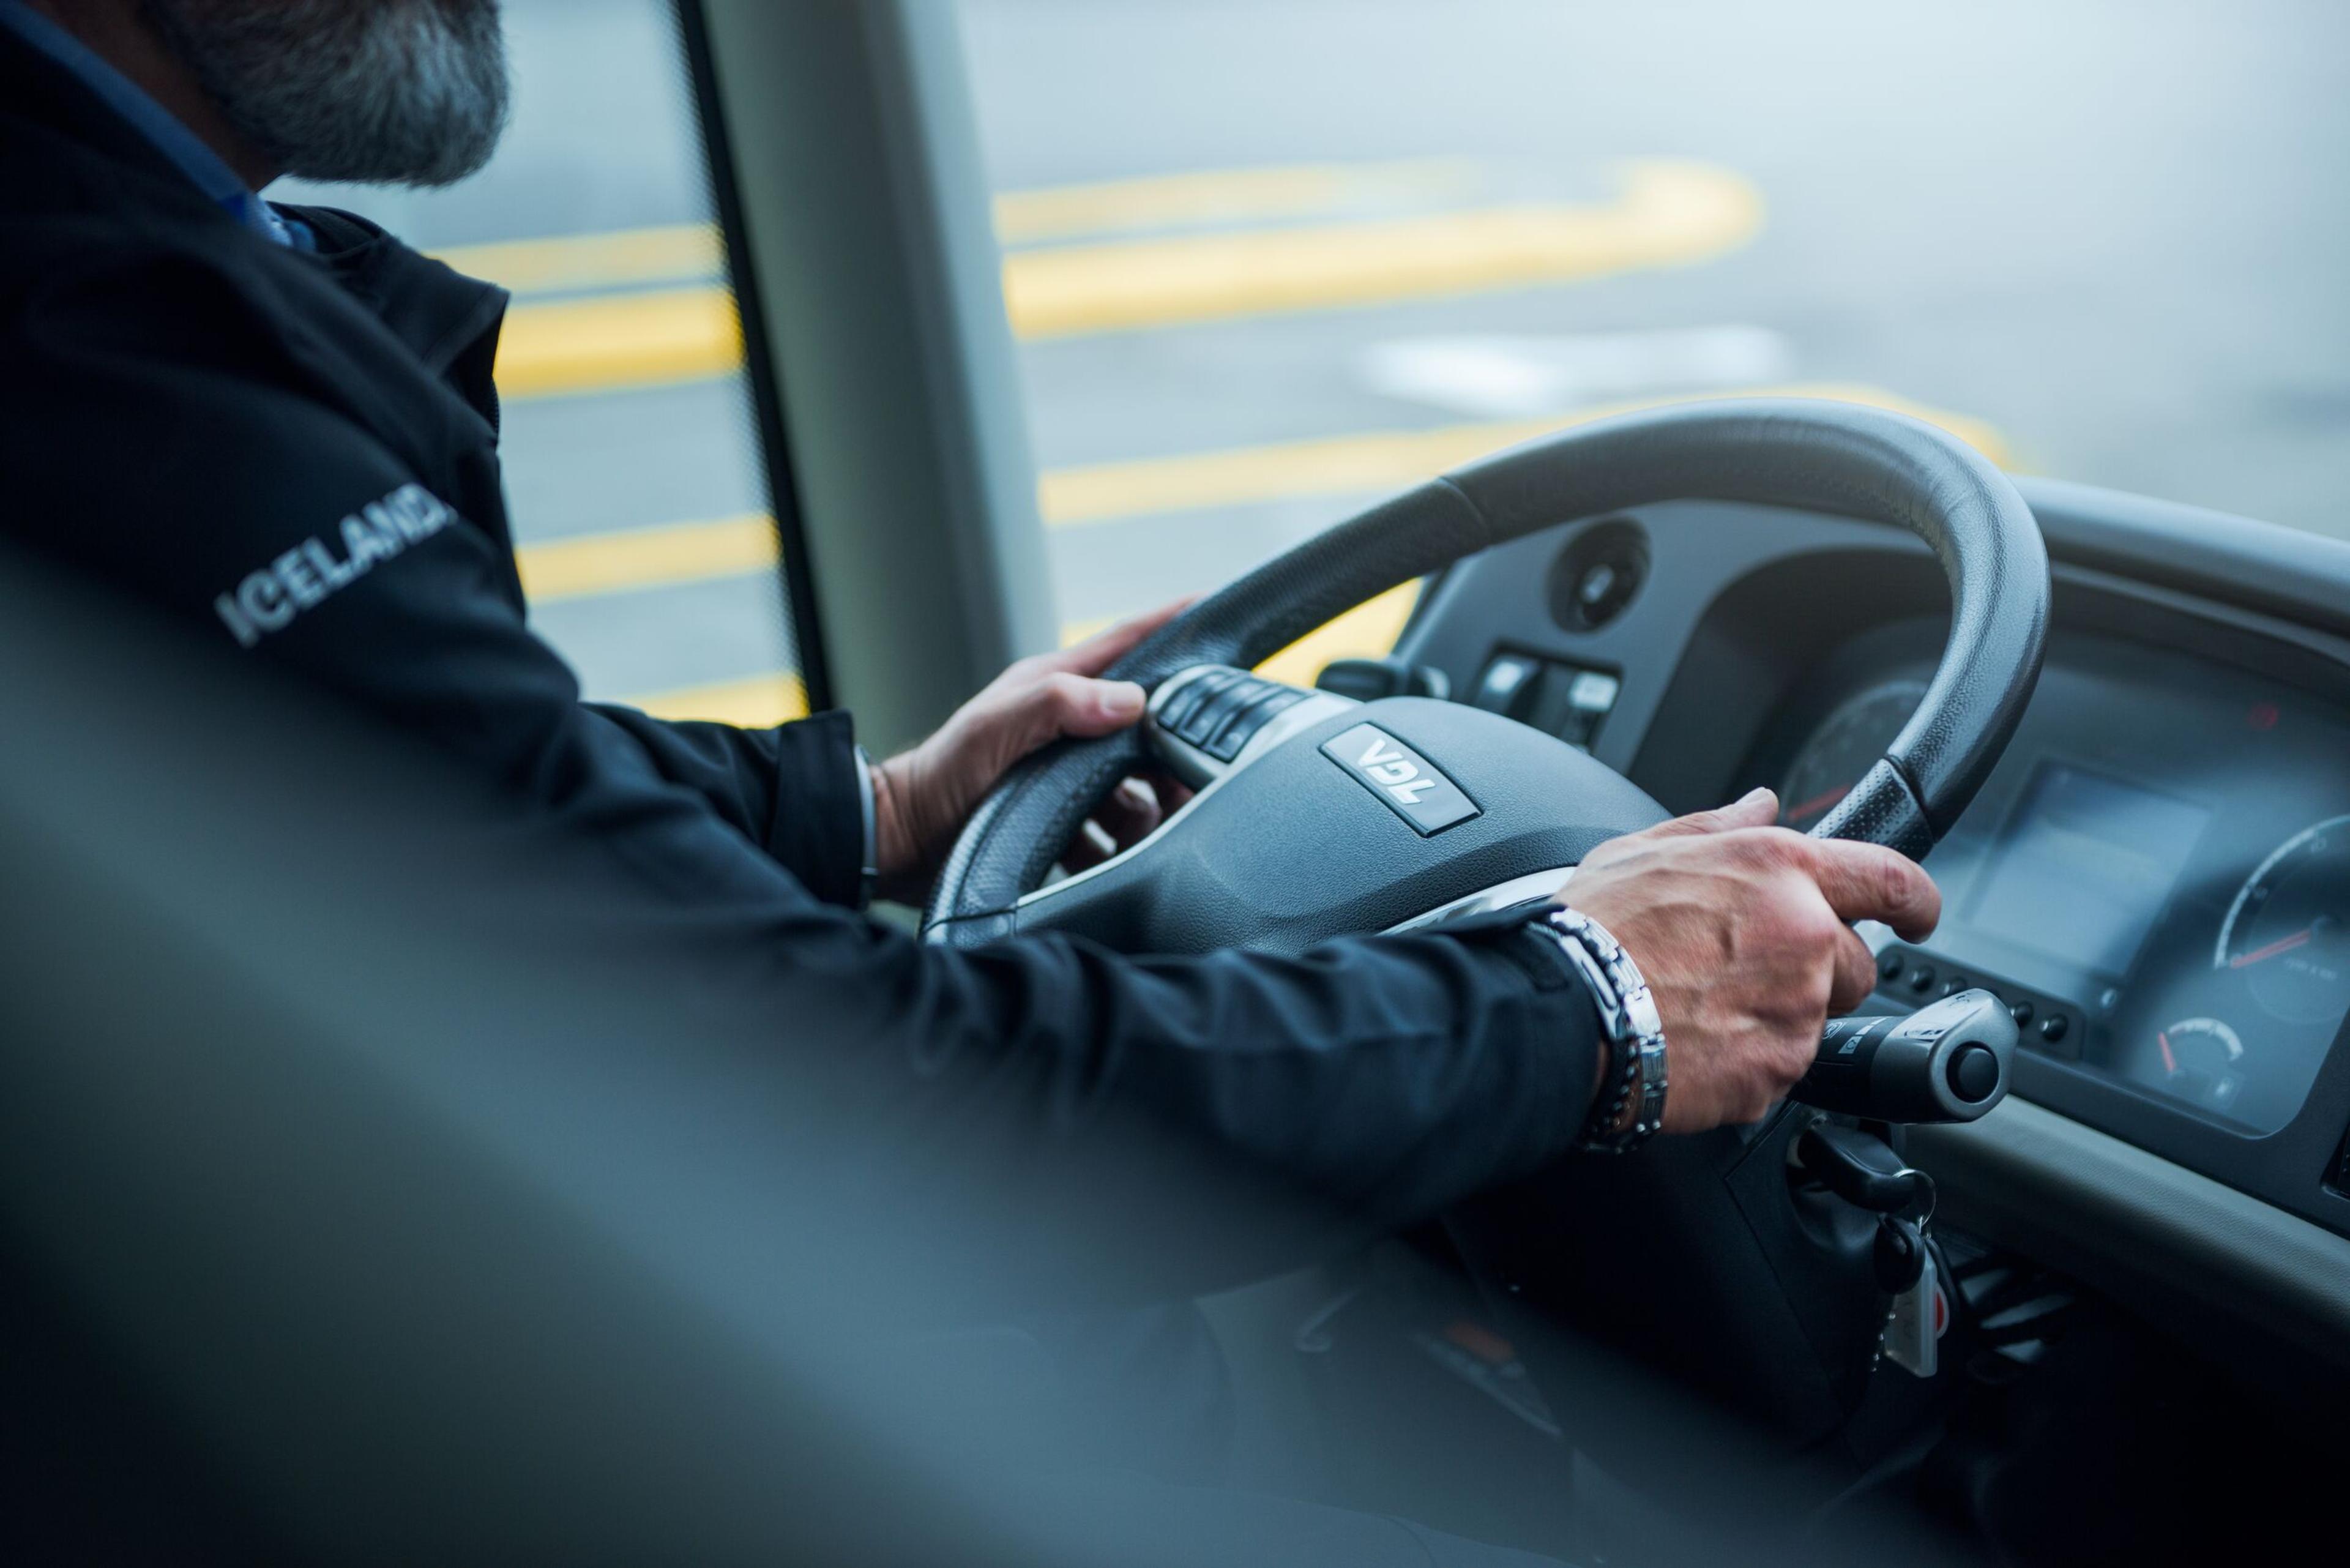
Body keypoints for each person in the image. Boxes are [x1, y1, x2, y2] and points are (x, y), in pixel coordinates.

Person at [0, 1, 1942, 1557]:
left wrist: (882, 809)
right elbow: (804, 1090)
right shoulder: (109, 364)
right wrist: (1587, 1000)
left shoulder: (137, 280)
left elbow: (413, 804)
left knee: (1139, 1367)